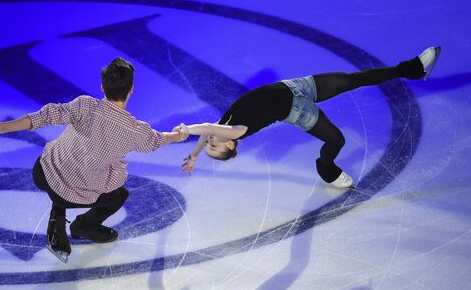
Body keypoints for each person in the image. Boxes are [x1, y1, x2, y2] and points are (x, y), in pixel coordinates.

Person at [0, 58, 188, 263]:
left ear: (102, 88)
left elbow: (44, 117)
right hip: (73, 195)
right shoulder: (135, 130)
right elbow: (157, 140)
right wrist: (178, 135)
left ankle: (57, 214)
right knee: (119, 195)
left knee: (67, 157)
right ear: (131, 89)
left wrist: (1, 127)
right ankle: (83, 227)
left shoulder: (85, 105)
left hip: (42, 173)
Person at [177, 47, 441, 188]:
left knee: (352, 80)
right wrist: (187, 130)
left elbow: (208, 131)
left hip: (296, 87)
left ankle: (413, 68)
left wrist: (195, 155)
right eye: (215, 145)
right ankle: (326, 168)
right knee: (336, 141)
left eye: (209, 142)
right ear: (230, 144)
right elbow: (207, 128)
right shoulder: (236, 131)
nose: (210, 140)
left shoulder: (222, 127)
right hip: (298, 111)